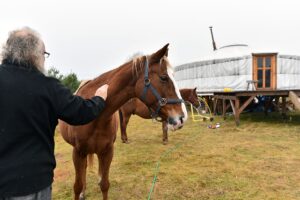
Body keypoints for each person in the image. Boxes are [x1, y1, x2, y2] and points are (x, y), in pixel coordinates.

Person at [0, 27, 109, 200]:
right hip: (33, 184)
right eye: (45, 54)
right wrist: (100, 99)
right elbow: (80, 112)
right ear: (35, 54)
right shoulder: (47, 87)